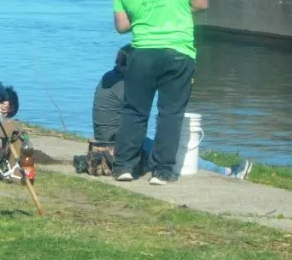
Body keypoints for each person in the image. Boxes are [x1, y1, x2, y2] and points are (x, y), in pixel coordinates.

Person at [111, 0, 208, 185]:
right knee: (170, 113)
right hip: (180, 51)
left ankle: (124, 167)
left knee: (134, 110)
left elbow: (122, 26)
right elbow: (201, 3)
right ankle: (162, 171)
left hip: (143, 53)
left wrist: (144, 16)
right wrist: (176, 10)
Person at [92, 45, 252, 179]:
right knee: (174, 154)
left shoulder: (109, 77)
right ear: (128, 65)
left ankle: (222, 169)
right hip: (115, 138)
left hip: (105, 134)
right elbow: (138, 111)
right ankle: (227, 172)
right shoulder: (124, 84)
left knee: (165, 148)